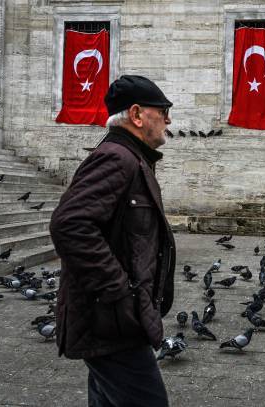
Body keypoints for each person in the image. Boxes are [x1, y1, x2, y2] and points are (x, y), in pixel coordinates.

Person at [49, 75, 176, 407]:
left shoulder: (132, 158)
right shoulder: (117, 157)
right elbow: (70, 224)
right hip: (113, 322)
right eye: (163, 111)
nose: (168, 120)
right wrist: (120, 292)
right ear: (136, 115)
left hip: (115, 321)